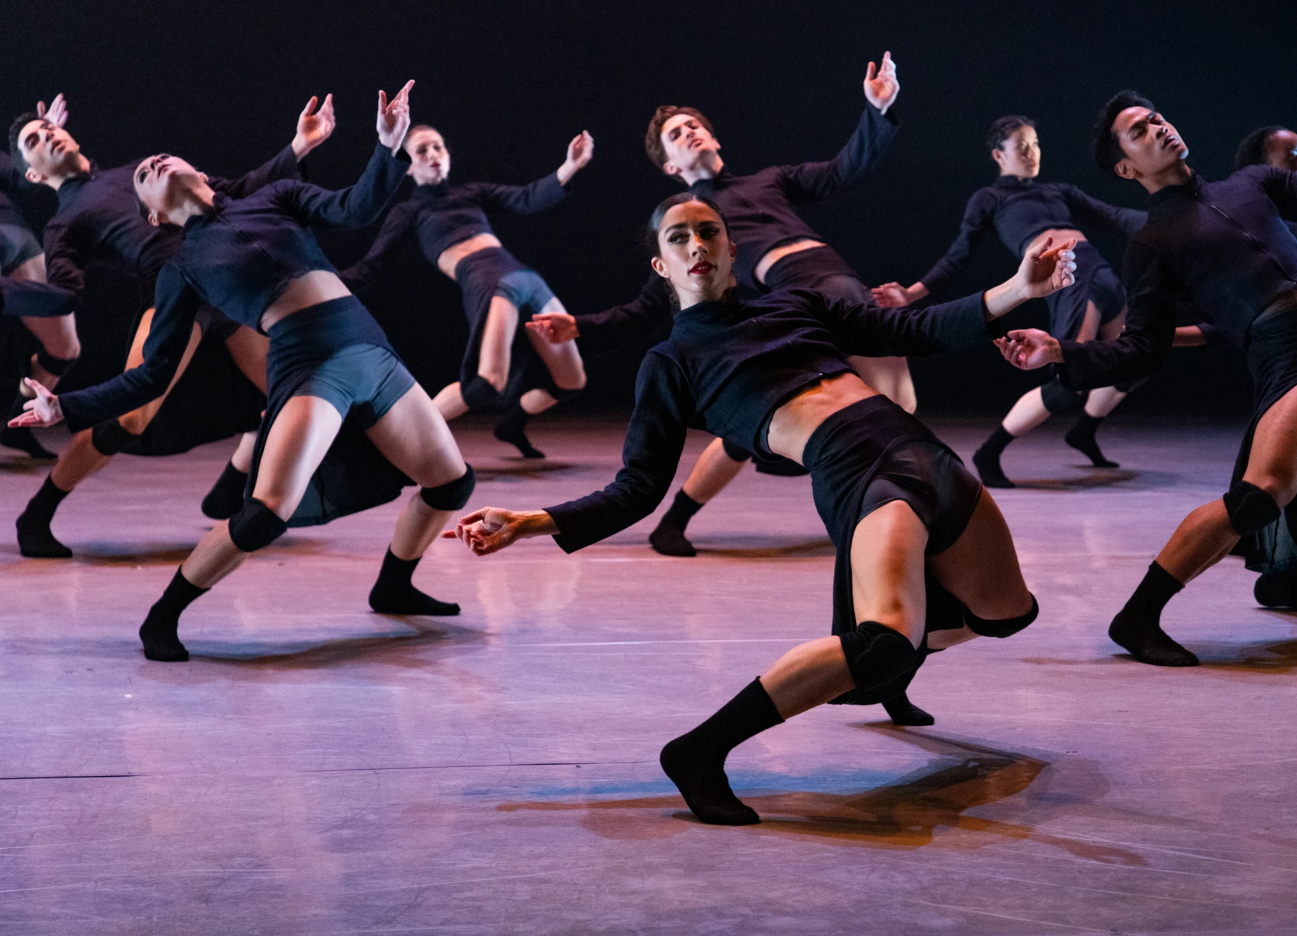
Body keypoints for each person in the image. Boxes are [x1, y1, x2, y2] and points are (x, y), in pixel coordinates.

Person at [446, 192, 1077, 823]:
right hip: (860, 473)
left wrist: (1019, 286)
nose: (697, 245)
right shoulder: (671, 364)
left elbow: (911, 330)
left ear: (731, 249)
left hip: (928, 455)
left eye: (709, 232)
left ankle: (902, 651)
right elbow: (638, 486)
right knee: (882, 640)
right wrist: (531, 521)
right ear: (662, 266)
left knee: (1008, 613)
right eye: (678, 238)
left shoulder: (796, 302)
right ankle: (698, 752)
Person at [12, 82, 475, 664]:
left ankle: (393, 583)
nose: (154, 164)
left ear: (199, 172)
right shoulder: (179, 269)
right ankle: (164, 613)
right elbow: (152, 372)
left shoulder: (275, 197)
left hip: (370, 349)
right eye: (145, 175)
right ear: (154, 214)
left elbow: (352, 208)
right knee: (263, 514)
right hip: (309, 366)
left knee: (453, 483)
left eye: (162, 159)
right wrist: (66, 406)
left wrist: (386, 148)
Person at [531, 52, 913, 557]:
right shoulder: (693, 221)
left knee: (790, 422)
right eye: (675, 134)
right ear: (671, 166)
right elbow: (651, 304)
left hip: (841, 289)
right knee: (888, 413)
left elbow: (843, 171)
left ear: (714, 139)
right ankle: (874, 525)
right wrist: (580, 326)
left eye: (693, 125)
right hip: (795, 304)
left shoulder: (769, 180)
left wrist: (877, 111)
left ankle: (681, 519)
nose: (688, 132)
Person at [997, 91, 1297, 667]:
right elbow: (1144, 348)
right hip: (1284, 350)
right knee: (1261, 494)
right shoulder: (1153, 243)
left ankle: (1282, 583)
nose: (1158, 127)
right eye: (1139, 130)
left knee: (1272, 492)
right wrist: (1064, 351)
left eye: (1157, 117)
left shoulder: (1253, 183)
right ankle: (1138, 617)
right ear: (1127, 168)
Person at [8, 93, 334, 557]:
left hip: (224, 287)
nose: (49, 136)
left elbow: (230, 191)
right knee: (129, 418)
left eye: (48, 129)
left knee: (291, 393)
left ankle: (228, 491)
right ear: (34, 174)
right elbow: (64, 293)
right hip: (172, 301)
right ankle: (36, 515)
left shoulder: (141, 168)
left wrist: (298, 148)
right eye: (35, 140)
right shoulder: (65, 222)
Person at [873, 115, 1146, 486]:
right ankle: (990, 451)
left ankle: (1084, 431)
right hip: (1069, 277)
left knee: (1133, 361)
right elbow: (958, 256)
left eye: (1035, 144)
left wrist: (1175, 216)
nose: (1031, 153)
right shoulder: (991, 199)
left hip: (1102, 272)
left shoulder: (1059, 191)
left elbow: (1116, 216)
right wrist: (911, 293)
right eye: (1021, 146)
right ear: (998, 156)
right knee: (1072, 378)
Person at [341, 123, 593, 458]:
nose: (433, 155)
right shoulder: (409, 212)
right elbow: (372, 264)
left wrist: (570, 166)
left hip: (526, 277)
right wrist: (324, 283)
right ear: (409, 166)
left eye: (438, 147)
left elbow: (526, 198)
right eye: (422, 150)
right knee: (488, 382)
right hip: (490, 282)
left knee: (571, 380)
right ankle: (389, 437)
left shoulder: (472, 192)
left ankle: (511, 425)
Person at [0, 95, 80, 457]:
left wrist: (44, 143)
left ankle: (17, 421)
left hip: (14, 243)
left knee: (64, 346)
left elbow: (24, 180)